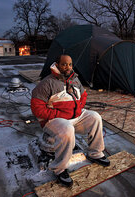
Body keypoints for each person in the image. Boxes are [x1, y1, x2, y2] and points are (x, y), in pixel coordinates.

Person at [31, 54, 110, 187]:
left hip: (74, 117)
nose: (68, 67)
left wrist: (78, 109)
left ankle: (95, 153)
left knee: (95, 117)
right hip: (54, 120)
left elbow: (83, 95)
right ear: (57, 65)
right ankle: (60, 169)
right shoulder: (47, 82)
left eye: (70, 64)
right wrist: (57, 113)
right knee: (67, 129)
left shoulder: (74, 79)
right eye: (64, 64)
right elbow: (36, 108)